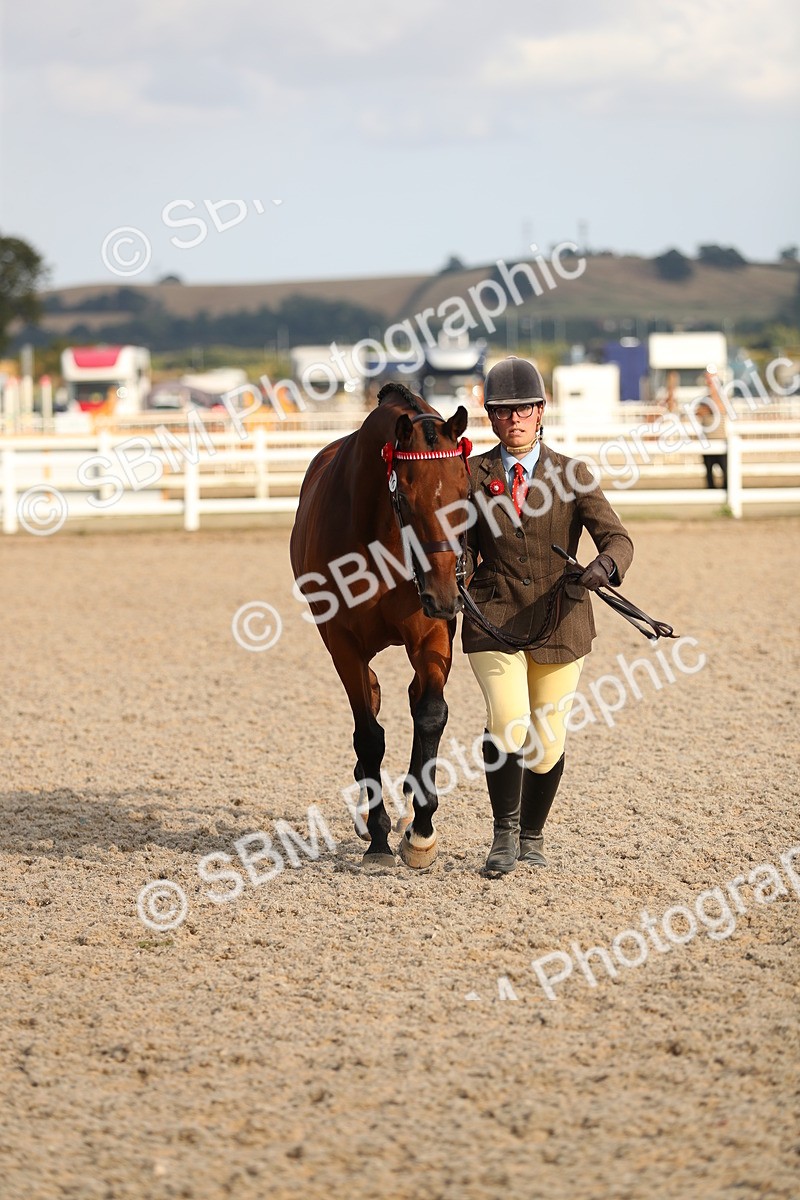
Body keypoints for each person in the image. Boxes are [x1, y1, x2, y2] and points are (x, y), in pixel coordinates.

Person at [462, 356, 634, 875]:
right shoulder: (473, 474)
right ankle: (503, 835)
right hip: (493, 618)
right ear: (490, 417)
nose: (512, 419)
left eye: (522, 409)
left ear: (540, 411)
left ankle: (533, 834)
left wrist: (604, 565)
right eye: (501, 411)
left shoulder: (572, 474)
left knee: (547, 737)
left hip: (562, 619)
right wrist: (455, 570)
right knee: (507, 721)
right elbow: (461, 545)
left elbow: (618, 538)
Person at [696, 367, 728, 490]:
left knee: (726, 474)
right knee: (709, 475)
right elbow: (699, 412)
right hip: (708, 441)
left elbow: (718, 408)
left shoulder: (721, 397)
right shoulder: (705, 399)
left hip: (720, 440)